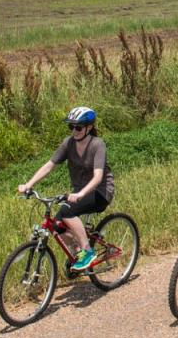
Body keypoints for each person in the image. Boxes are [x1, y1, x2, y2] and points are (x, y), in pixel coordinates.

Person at [17, 106, 114, 272]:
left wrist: (80, 194)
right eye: (71, 127)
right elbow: (49, 166)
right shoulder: (68, 143)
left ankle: (88, 251)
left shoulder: (97, 145)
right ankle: (77, 253)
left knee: (68, 212)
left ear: (89, 128)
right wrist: (29, 184)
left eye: (78, 127)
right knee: (57, 225)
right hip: (79, 193)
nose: (74, 131)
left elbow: (98, 177)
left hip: (100, 192)